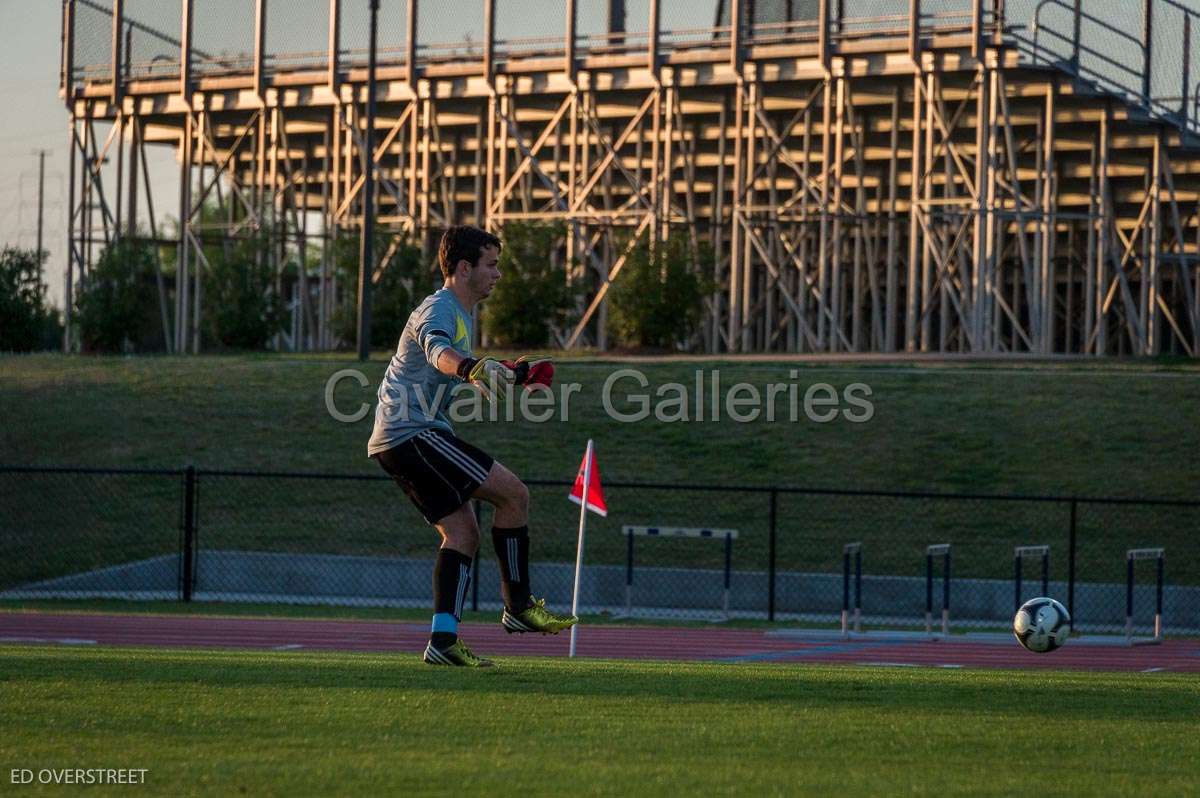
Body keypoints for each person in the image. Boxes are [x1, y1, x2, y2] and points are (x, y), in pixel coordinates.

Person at [368, 225, 576, 667]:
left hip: (402, 436)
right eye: (492, 264)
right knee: (514, 494)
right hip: (413, 431)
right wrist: (468, 369)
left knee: (462, 532)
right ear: (465, 268)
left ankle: (442, 642)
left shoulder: (460, 312)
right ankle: (518, 608)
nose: (498, 274)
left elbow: (468, 366)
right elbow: (438, 352)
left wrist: (519, 374)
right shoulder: (439, 307)